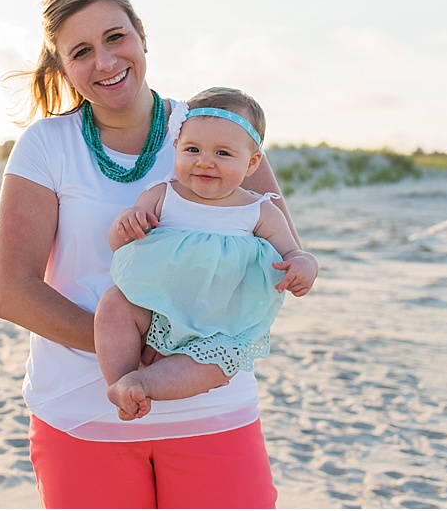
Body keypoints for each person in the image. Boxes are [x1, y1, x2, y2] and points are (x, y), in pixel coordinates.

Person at [0, 0, 319, 509]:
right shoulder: (45, 146)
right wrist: (134, 356)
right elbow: (14, 291)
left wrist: (185, 359)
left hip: (212, 404)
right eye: (81, 51)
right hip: (84, 411)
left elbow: (279, 254)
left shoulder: (217, 128)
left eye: (115, 37)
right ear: (63, 66)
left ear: (141, 34)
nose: (105, 61)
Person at [95, 87, 316, 422]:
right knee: (113, 305)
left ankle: (143, 383)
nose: (205, 161)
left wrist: (303, 265)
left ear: (252, 162)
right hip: (154, 305)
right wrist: (126, 223)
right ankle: (120, 382)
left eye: (223, 153)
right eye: (192, 149)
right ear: (177, 149)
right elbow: (121, 246)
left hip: (219, 325)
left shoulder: (258, 211)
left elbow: (292, 251)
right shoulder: (163, 196)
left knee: (216, 367)